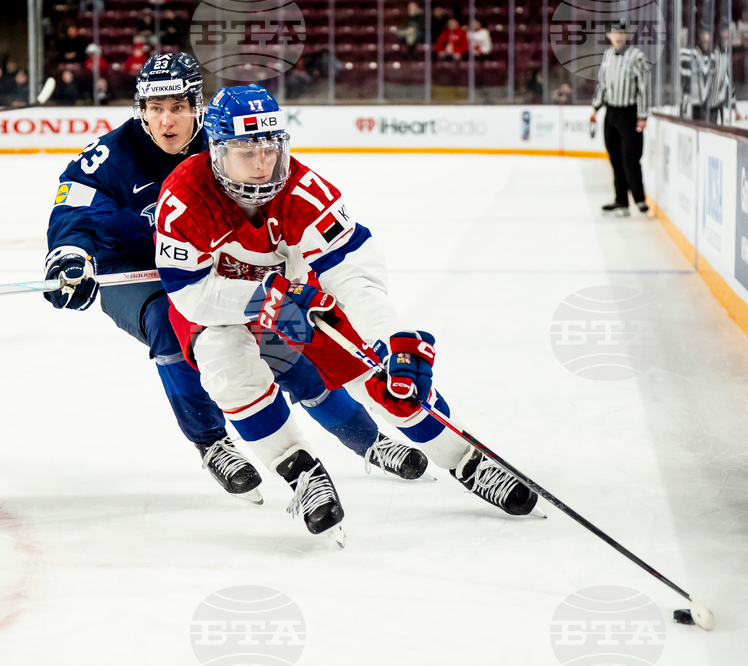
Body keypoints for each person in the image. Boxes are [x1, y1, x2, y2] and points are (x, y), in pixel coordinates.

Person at [155, 84, 539, 540]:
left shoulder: (304, 190)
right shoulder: (184, 198)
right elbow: (190, 294)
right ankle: (301, 474)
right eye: (246, 151)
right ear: (217, 152)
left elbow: (350, 273)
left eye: (270, 149)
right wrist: (262, 296)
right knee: (227, 365)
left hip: (295, 299)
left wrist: (391, 338)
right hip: (218, 306)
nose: (263, 164)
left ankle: (465, 459)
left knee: (380, 375)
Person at [43, 54, 429, 506]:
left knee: (286, 343)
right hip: (133, 271)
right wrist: (70, 254)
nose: (167, 120)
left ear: (198, 106)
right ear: (140, 110)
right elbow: (73, 209)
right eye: (155, 108)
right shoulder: (109, 156)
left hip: (214, 267)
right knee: (171, 327)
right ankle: (212, 443)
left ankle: (368, 441)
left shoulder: (227, 140)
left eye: (179, 106)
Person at [589, 19, 650, 217]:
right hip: (612, 113)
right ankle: (621, 201)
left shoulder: (637, 57)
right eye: (613, 32)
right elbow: (602, 85)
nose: (617, 35)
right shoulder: (607, 55)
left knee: (630, 157)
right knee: (615, 158)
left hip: (629, 113)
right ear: (609, 35)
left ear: (626, 35)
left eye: (621, 32)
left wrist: (642, 115)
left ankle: (640, 199)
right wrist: (595, 109)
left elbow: (643, 88)